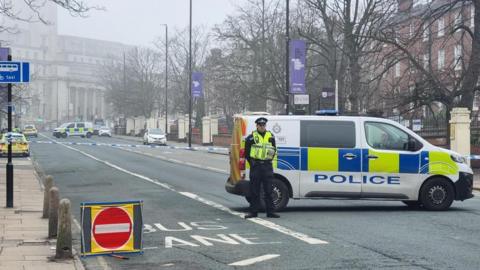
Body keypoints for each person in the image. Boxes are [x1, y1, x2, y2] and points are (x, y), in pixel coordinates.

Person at [244, 117, 280, 219]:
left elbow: (273, 149)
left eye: (263, 125)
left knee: (269, 190)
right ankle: (253, 212)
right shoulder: (251, 137)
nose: (262, 126)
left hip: (267, 166)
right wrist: (252, 163)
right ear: (257, 126)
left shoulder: (271, 136)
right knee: (254, 190)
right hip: (256, 167)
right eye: (260, 125)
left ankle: (271, 212)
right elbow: (247, 153)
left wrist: (268, 160)